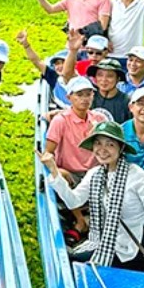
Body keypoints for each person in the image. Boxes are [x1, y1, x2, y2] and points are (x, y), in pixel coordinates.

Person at [39, 121, 144, 271]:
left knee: (74, 262)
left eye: (110, 144)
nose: (102, 150)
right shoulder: (95, 174)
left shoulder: (137, 175)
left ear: (121, 148)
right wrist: (54, 170)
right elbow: (74, 201)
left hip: (139, 250)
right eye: (98, 144)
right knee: (69, 260)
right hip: (110, 244)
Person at [43, 76, 109, 245]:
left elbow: (110, 150)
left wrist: (97, 134)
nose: (84, 99)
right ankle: (80, 220)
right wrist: (50, 163)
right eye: (79, 95)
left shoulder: (99, 120)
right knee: (61, 175)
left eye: (88, 94)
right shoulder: (61, 120)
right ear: (69, 98)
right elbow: (48, 152)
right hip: (71, 172)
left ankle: (97, 223)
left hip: (95, 171)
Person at [15, 30, 70, 107]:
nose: (60, 66)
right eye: (57, 63)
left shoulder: (81, 78)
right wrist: (26, 44)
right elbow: (36, 61)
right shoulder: (54, 77)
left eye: (64, 62)